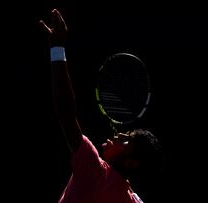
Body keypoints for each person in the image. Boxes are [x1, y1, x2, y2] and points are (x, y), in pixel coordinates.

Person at [40, 9, 163, 203]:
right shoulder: (131, 199)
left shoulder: (95, 171)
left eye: (127, 141)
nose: (120, 135)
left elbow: (65, 110)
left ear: (131, 162)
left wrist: (57, 48)